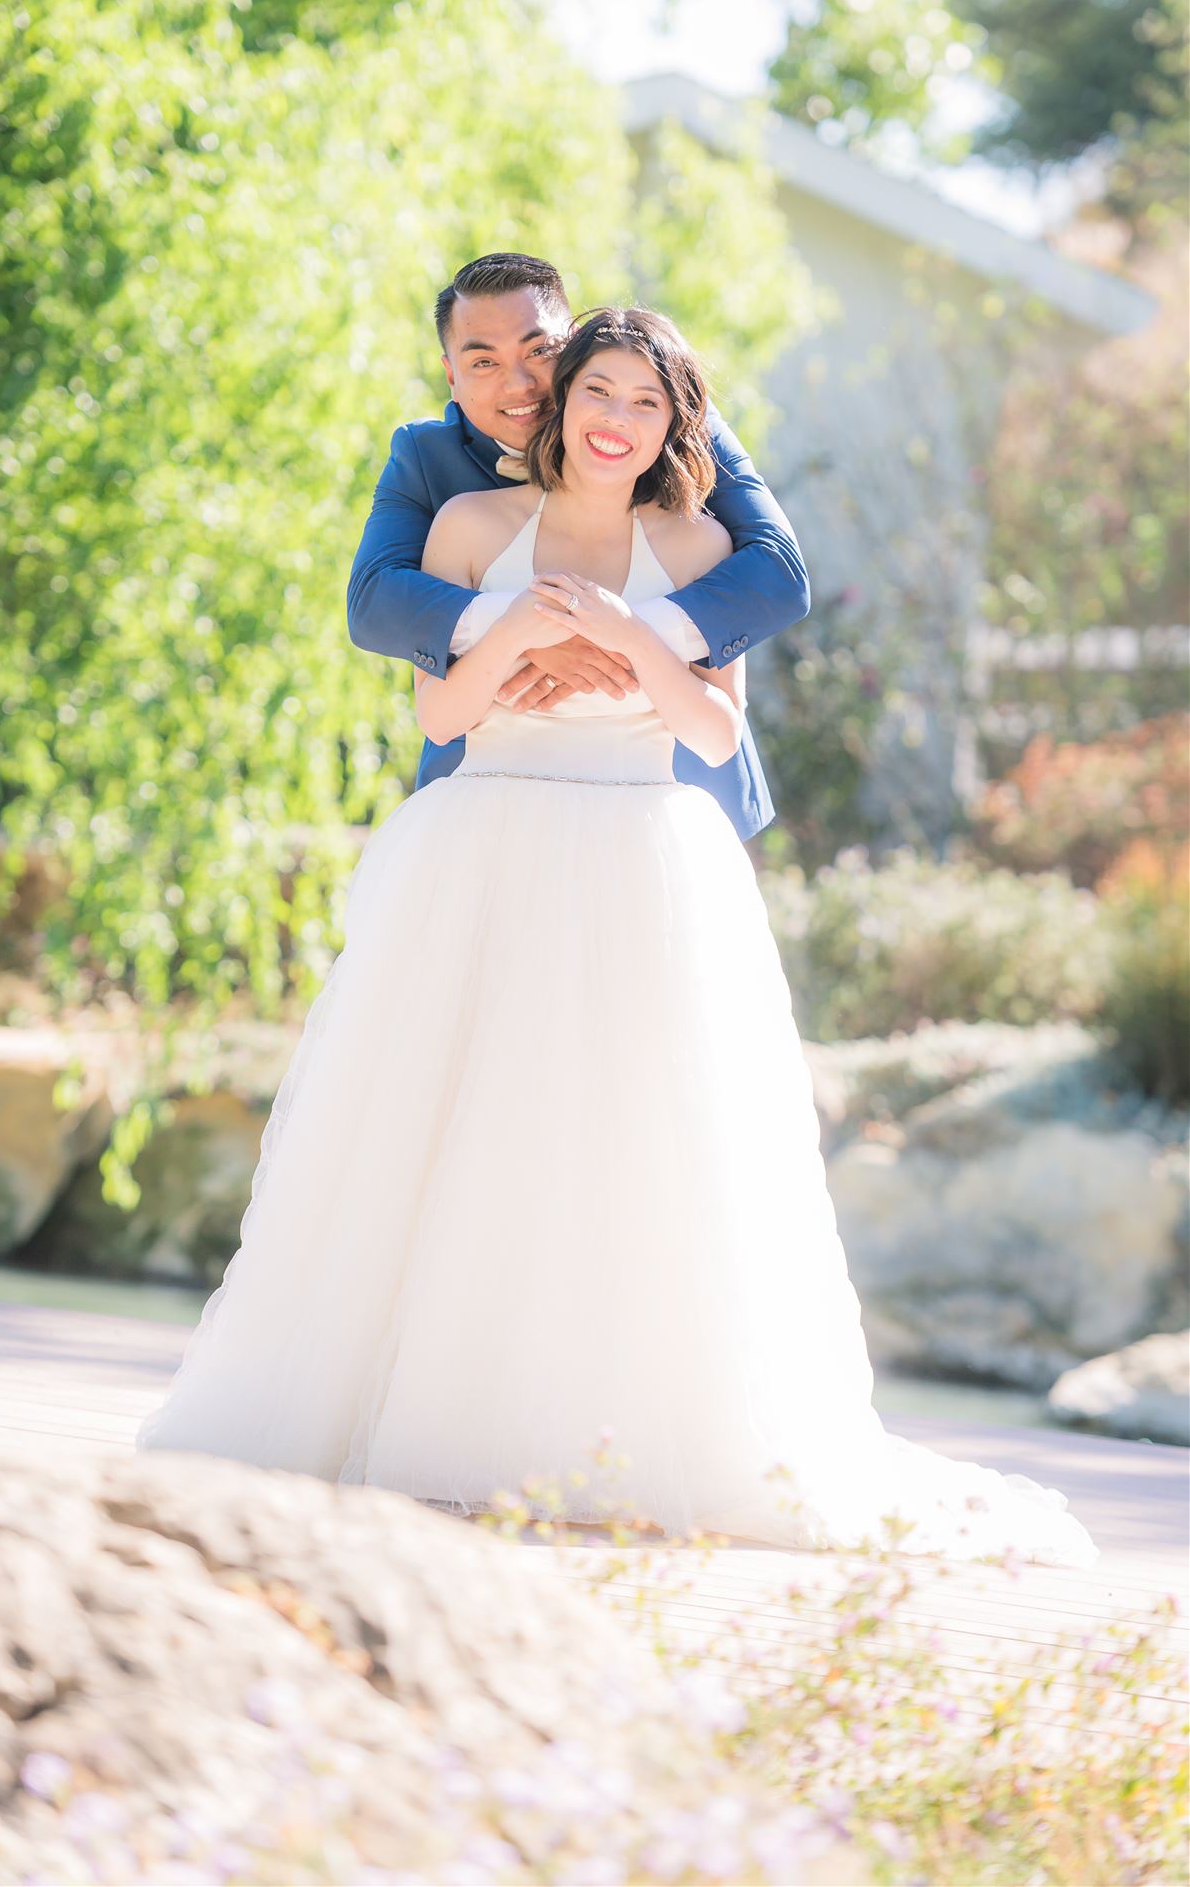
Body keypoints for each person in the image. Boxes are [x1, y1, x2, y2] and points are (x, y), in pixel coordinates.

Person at [136, 303, 1098, 1570]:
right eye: (598, 393)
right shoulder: (471, 523)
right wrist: (523, 629)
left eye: (646, 403)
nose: (614, 420)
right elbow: (445, 701)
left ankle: (609, 1434)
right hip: (483, 848)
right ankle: (429, 1413)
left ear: (675, 420)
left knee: (632, 1144)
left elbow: (712, 736)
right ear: (563, 398)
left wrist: (633, 642)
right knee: (447, 1126)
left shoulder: (701, 542)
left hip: (644, 857)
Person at [346, 251, 812, 844]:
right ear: (451, 374)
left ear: (572, 347)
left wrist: (621, 634)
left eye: (538, 351)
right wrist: (537, 627)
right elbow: (375, 601)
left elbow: (778, 573)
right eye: (483, 360)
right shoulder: (426, 459)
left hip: (664, 794)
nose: (517, 383)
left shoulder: (666, 420)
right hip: (492, 794)